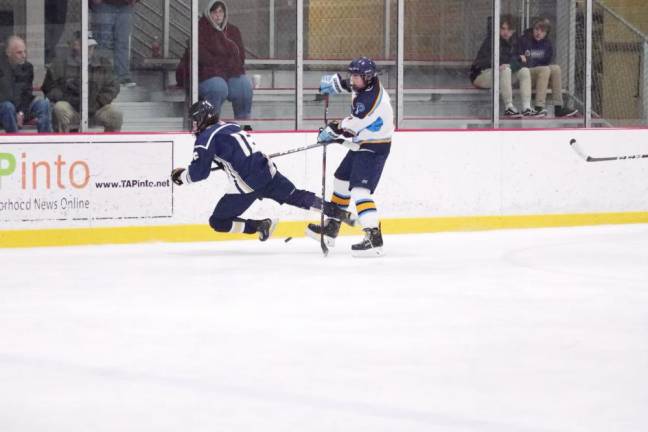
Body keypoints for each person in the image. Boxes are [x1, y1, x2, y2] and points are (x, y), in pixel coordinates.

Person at [170, 100, 355, 242]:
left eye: (195, 121)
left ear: (203, 118)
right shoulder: (231, 125)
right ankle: (337, 213)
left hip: (247, 183)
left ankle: (259, 226)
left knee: (218, 222)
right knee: (295, 196)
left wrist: (182, 177)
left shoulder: (205, 138)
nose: (194, 125)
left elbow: (199, 173)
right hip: (266, 169)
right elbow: (233, 149)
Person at [306, 57, 394, 257]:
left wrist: (332, 130)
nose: (353, 80)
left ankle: (374, 238)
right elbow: (353, 87)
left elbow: (350, 127)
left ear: (368, 77)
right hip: (363, 142)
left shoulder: (369, 102)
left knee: (360, 190)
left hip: (375, 146)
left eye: (356, 76)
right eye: (351, 75)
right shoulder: (366, 86)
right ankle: (332, 227)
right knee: (341, 181)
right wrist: (338, 84)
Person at [42, 32, 123, 132]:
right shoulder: (60, 64)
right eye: (87, 46)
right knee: (60, 108)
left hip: (97, 109)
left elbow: (113, 86)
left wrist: (98, 102)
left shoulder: (103, 63)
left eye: (92, 46)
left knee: (115, 114)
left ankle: (110, 145)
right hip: (71, 108)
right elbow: (49, 87)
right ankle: (63, 144)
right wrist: (68, 98)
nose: (90, 49)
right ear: (76, 46)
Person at [194, 0, 253, 119]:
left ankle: (242, 122)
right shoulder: (200, 30)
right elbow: (204, 59)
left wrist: (227, 65)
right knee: (218, 87)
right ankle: (208, 122)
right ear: (208, 13)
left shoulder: (233, 31)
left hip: (228, 73)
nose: (218, 15)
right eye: (214, 12)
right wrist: (226, 63)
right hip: (206, 76)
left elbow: (240, 57)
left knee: (244, 84)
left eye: (221, 11)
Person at [470, 14, 536, 118]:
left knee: (524, 71)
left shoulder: (516, 41)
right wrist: (513, 61)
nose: (506, 32)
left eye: (509, 29)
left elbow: (526, 61)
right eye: (503, 28)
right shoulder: (491, 41)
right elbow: (486, 61)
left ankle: (526, 107)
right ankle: (509, 107)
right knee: (506, 69)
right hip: (482, 75)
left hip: (502, 74)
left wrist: (514, 61)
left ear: (513, 30)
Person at [518, 18, 579, 117]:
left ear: (546, 33)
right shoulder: (524, 40)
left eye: (542, 31)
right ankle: (539, 107)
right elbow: (521, 60)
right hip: (526, 74)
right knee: (545, 69)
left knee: (556, 68)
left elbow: (546, 61)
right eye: (537, 29)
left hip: (541, 75)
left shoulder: (547, 44)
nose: (539, 33)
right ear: (533, 29)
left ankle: (558, 107)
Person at [0, 35, 52, 133]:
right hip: (4, 108)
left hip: (21, 107)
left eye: (25, 51)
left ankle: (45, 140)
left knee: (43, 104)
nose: (24, 55)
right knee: (8, 106)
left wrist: (20, 112)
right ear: (8, 53)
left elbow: (27, 94)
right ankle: (14, 141)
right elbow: (4, 95)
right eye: (19, 52)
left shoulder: (28, 67)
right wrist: (16, 111)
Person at [90, 0, 139, 87]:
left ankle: (122, 77)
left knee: (122, 42)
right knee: (102, 43)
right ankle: (101, 77)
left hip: (125, 5)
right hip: (104, 4)